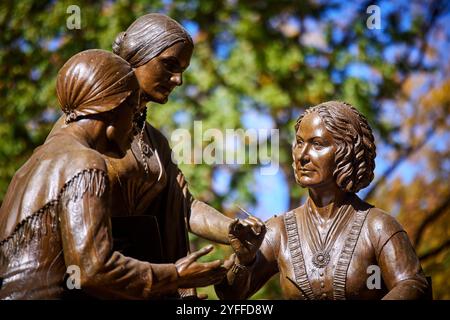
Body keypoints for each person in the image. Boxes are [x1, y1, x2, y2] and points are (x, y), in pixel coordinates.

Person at [46, 13, 264, 299]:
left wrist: (232, 230)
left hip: (147, 282)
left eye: (183, 69)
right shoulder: (84, 123)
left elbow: (184, 205)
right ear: (136, 57)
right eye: (169, 65)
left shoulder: (156, 141)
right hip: (93, 279)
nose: (178, 80)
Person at [0, 50, 228, 299]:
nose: (134, 127)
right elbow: (94, 269)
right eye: (132, 111)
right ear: (111, 108)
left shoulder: (33, 163)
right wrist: (176, 275)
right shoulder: (85, 162)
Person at [215, 101, 430, 300]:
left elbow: (413, 284)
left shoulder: (377, 226)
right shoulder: (279, 231)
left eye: (317, 144)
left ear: (346, 151)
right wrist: (244, 261)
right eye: (299, 143)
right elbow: (230, 296)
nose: (303, 155)